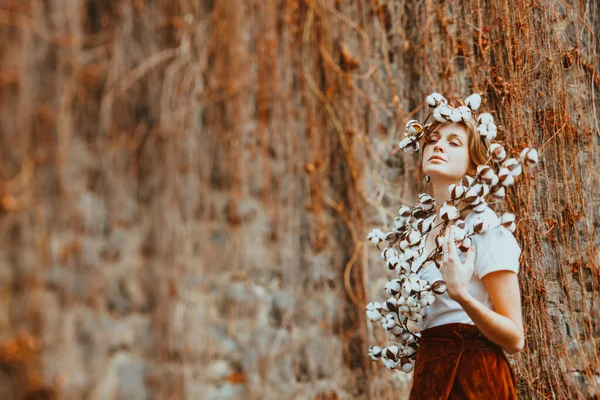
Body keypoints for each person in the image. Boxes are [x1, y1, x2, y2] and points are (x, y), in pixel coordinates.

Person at [408, 118, 524, 400]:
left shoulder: (484, 227)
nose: (438, 146)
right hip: (430, 379)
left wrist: (462, 296)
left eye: (453, 142)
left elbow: (515, 338)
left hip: (476, 380)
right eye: (433, 139)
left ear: (473, 166)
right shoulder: (417, 234)